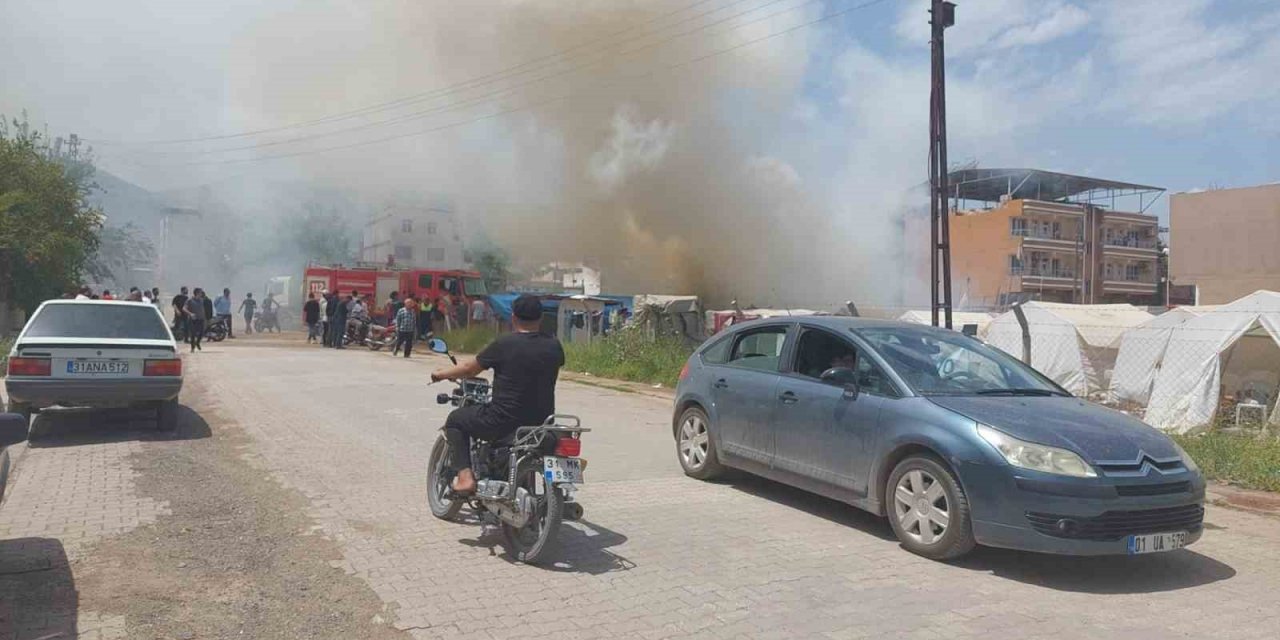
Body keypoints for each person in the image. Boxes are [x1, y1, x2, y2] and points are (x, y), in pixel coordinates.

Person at [431, 294, 564, 495]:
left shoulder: (505, 343)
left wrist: (440, 374)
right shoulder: (554, 346)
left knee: (456, 420)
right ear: (541, 317)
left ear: (513, 317)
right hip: (541, 422)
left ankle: (466, 478)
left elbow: (469, 370)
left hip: (502, 420)